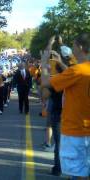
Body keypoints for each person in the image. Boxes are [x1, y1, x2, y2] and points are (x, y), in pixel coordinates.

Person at [41, 33, 90, 180]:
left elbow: (45, 83)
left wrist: (44, 63)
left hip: (75, 131)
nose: (72, 48)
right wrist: (61, 62)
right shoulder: (79, 70)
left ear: (80, 47)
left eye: (74, 45)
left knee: (76, 174)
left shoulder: (76, 71)